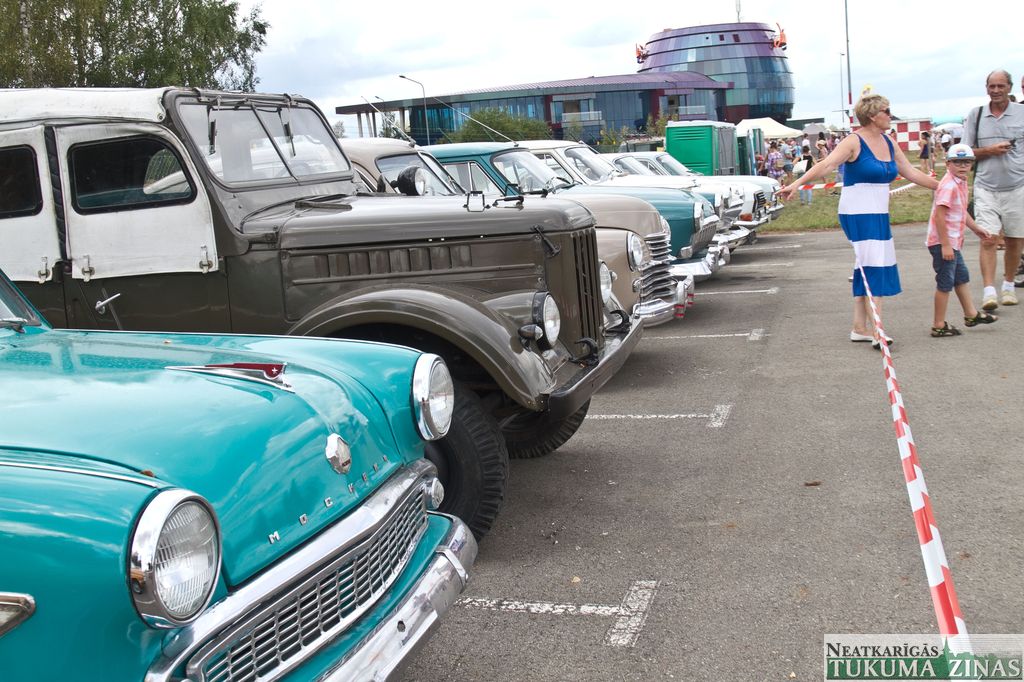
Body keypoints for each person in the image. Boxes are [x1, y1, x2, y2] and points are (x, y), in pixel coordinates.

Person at [781, 94, 939, 348]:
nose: (890, 115)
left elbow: (910, 171)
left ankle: (859, 327)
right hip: (857, 211)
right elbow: (826, 165)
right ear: (873, 115)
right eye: (887, 111)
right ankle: (878, 331)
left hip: (878, 212)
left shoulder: (888, 142)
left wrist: (941, 186)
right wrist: (797, 184)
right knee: (874, 264)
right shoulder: (853, 141)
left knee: (865, 265)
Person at [962, 69, 1024, 310]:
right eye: (992, 86)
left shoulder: (1021, 113)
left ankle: (1008, 286)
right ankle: (989, 291)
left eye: (1001, 86)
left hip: (1017, 187)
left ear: (1010, 88)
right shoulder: (976, 115)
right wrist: (988, 151)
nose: (996, 90)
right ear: (986, 88)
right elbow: (964, 152)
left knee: (1015, 239)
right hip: (985, 187)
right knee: (988, 238)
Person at [926, 143, 998, 336]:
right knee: (945, 283)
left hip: (953, 242)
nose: (962, 165)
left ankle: (971, 314)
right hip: (944, 243)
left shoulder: (960, 182)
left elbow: (960, 210)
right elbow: (939, 216)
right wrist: (945, 245)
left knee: (961, 277)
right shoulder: (949, 186)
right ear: (948, 163)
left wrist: (976, 228)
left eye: (967, 162)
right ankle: (938, 325)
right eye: (957, 162)